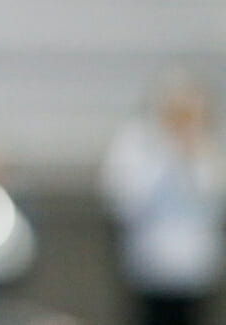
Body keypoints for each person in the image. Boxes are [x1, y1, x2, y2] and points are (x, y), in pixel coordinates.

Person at [99, 69, 226, 325]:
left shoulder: (211, 145)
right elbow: (125, 201)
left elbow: (212, 201)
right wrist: (168, 155)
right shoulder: (135, 142)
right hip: (149, 265)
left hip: (197, 268)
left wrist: (191, 155)